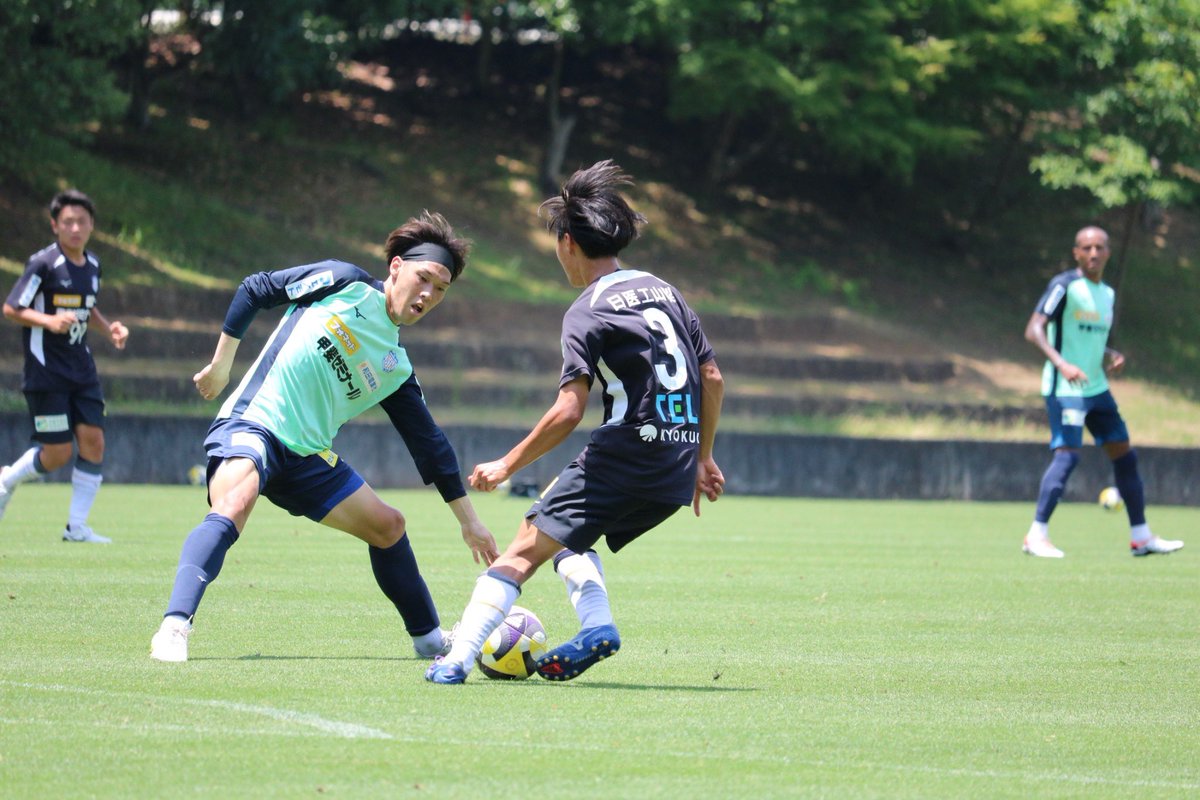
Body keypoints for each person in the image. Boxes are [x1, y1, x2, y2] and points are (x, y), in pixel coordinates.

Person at [149, 211, 500, 662]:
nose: (429, 295)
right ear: (396, 267)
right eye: (424, 278)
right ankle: (174, 627)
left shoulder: (394, 365)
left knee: (389, 526)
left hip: (306, 458)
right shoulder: (343, 282)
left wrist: (469, 522)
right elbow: (257, 288)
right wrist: (221, 366)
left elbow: (430, 446)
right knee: (234, 503)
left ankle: (430, 640)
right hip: (254, 423)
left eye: (441, 290)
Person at [426, 160, 725, 684]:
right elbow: (713, 378)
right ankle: (596, 626)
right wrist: (702, 457)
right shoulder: (666, 291)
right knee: (571, 537)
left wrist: (505, 464)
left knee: (523, 546)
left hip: (626, 451)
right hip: (675, 464)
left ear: (567, 241)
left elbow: (569, 411)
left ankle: (454, 659)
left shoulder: (588, 309)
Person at [1021, 225, 1183, 558]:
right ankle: (1036, 536)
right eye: (1086, 247)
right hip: (1066, 388)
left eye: (1099, 247)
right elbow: (1034, 329)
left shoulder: (1107, 294)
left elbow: (1088, 337)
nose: (1093, 253)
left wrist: (1110, 354)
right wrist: (1062, 364)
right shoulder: (1064, 285)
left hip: (1097, 388)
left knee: (1125, 455)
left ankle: (1141, 537)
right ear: (1076, 253)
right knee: (1067, 457)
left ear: (1108, 252)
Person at [0, 190, 129, 542]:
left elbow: (89, 307)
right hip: (46, 372)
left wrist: (108, 328)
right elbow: (11, 308)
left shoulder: (93, 265)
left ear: (91, 226)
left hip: (82, 369)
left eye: (81, 221)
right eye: (67, 222)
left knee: (94, 442)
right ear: (55, 225)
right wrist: (48, 321)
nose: (75, 228)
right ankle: (6, 481)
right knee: (57, 453)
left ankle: (77, 527)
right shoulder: (43, 264)